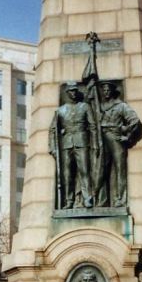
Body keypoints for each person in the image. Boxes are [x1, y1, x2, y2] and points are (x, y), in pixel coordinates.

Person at [49, 81, 98, 209]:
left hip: (82, 141)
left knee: (84, 171)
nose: (73, 93)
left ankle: (88, 198)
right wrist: (53, 147)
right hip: (66, 144)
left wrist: (95, 143)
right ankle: (69, 200)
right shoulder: (60, 110)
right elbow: (53, 130)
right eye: (71, 91)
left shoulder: (85, 107)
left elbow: (92, 126)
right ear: (67, 93)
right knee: (67, 174)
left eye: (75, 90)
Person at [94, 81, 142, 207]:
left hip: (115, 137)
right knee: (100, 169)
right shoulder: (99, 107)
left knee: (120, 169)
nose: (106, 92)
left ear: (112, 91)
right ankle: (100, 200)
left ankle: (120, 199)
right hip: (101, 138)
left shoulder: (121, 106)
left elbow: (134, 121)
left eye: (108, 90)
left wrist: (127, 135)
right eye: (104, 90)